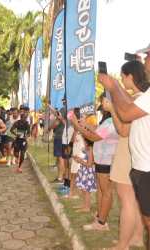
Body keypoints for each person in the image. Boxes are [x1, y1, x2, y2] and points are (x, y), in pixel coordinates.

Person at [99, 59, 149, 249]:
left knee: (126, 200)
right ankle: (135, 237)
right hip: (137, 155)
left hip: (131, 155)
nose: (121, 79)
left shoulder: (138, 99)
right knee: (137, 202)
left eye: (122, 76)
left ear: (130, 77)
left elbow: (123, 130)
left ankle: (123, 244)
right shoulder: (141, 97)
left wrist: (112, 109)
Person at [70, 96, 119, 231]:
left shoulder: (111, 122)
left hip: (106, 160)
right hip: (102, 160)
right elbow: (97, 130)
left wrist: (76, 125)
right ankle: (100, 216)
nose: (101, 106)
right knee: (102, 191)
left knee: (106, 192)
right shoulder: (108, 121)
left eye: (103, 103)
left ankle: (102, 223)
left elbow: (93, 137)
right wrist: (85, 125)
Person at [74, 138, 96, 212]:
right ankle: (84, 205)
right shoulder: (87, 149)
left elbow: (89, 164)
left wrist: (80, 161)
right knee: (83, 189)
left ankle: (87, 207)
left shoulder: (90, 150)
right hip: (84, 171)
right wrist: (79, 159)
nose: (83, 142)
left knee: (86, 190)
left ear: (87, 142)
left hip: (88, 172)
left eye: (84, 140)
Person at [48, 100, 67, 184]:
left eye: (63, 100)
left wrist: (49, 128)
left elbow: (57, 121)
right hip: (66, 135)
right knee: (63, 157)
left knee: (60, 158)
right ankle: (62, 177)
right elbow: (57, 113)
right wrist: (49, 106)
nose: (62, 101)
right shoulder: (70, 108)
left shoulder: (64, 109)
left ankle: (60, 177)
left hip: (60, 135)